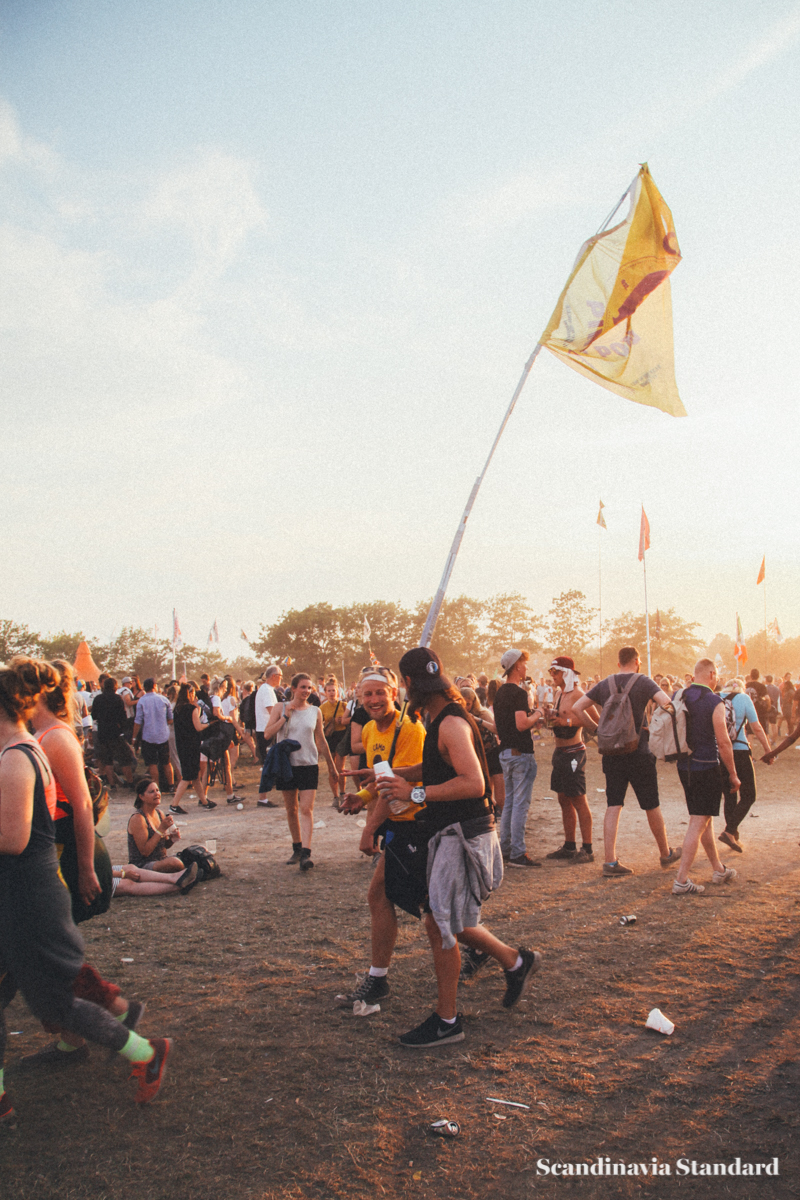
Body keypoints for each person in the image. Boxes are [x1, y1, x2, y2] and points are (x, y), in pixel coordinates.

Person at [0, 657, 170, 1121]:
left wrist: (86, 871)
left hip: (33, 893)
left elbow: (16, 837)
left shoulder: (22, 753)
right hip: (23, 893)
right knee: (37, 987)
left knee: (54, 995)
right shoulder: (20, 748)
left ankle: (140, 1048)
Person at [374, 647, 541, 1048]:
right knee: (448, 920)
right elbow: (437, 766)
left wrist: (413, 793)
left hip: (463, 833)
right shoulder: (443, 716)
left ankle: (447, 1021)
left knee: (441, 925)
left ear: (410, 684)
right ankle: (516, 961)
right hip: (453, 831)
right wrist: (389, 775)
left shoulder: (449, 723)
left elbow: (473, 783)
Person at [338, 667, 426, 1004]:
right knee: (426, 902)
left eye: (380, 692)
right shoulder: (373, 729)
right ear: (359, 698)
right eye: (367, 694)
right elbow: (382, 776)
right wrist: (360, 798)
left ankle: (378, 981)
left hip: (418, 823)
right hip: (399, 823)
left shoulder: (411, 730)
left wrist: (370, 828)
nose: (374, 700)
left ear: (394, 692)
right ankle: (490, 951)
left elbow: (396, 787)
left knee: (381, 895)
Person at [572, 646, 681, 878]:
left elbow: (577, 707)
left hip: (612, 753)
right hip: (640, 751)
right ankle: (665, 853)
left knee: (614, 804)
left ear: (619, 661)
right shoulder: (643, 681)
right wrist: (655, 727)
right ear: (637, 660)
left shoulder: (605, 684)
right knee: (651, 804)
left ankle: (610, 862)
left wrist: (597, 729)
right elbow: (667, 704)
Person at [672, 660, 740, 895]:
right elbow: (723, 741)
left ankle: (718, 868)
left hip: (684, 765)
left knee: (704, 818)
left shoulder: (680, 695)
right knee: (699, 820)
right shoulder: (714, 701)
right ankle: (681, 880)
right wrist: (733, 773)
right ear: (712, 674)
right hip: (707, 765)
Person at [262, 673, 339, 870]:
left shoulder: (315, 711)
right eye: (303, 687)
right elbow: (268, 733)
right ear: (293, 688)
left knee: (306, 809)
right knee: (291, 809)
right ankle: (296, 847)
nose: (306, 691)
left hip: (309, 764)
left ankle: (306, 852)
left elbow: (321, 740)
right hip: (287, 765)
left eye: (309, 688)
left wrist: (332, 767)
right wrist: (285, 716)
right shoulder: (281, 707)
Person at [544, 657, 598, 865]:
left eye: (556, 673)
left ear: (565, 673)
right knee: (563, 798)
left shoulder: (579, 695)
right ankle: (569, 845)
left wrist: (567, 720)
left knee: (578, 799)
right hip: (560, 751)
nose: (553, 677)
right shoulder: (559, 694)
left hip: (574, 751)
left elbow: (595, 724)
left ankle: (588, 848)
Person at [492, 649, 544, 868]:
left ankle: (505, 849)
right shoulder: (518, 693)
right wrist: (538, 714)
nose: (526, 667)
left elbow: (500, 726)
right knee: (520, 805)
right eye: (524, 663)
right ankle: (518, 853)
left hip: (505, 753)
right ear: (517, 666)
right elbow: (522, 724)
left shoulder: (500, 693)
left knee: (511, 804)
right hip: (520, 753)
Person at [717, 678, 771, 852]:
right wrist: (768, 750)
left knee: (730, 794)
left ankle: (733, 835)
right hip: (740, 751)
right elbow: (757, 728)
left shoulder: (716, 698)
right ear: (742, 688)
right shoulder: (744, 698)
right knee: (749, 795)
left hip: (721, 752)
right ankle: (730, 831)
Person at [126, 779, 185, 873]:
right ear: (141, 796)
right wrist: (161, 829)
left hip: (161, 859)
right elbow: (145, 852)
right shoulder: (138, 818)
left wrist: (173, 838)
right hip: (143, 865)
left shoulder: (159, 813)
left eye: (157, 790)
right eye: (151, 792)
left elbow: (163, 846)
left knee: (191, 854)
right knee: (174, 863)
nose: (156, 794)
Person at [170, 683, 212, 810]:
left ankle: (204, 801)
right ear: (190, 694)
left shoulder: (177, 709)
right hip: (191, 744)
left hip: (181, 744)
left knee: (194, 776)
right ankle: (174, 805)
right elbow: (198, 727)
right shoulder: (192, 709)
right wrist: (209, 724)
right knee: (188, 776)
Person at [91, 676, 135, 790]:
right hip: (115, 732)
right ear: (115, 687)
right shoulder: (117, 698)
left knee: (107, 760)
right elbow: (122, 716)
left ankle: (112, 785)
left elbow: (94, 715)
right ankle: (130, 782)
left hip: (102, 732)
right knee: (124, 759)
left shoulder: (98, 699)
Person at [132, 679, 174, 791]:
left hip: (148, 735)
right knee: (166, 763)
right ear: (154, 686)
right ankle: (171, 786)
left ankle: (157, 787)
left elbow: (138, 721)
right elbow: (170, 718)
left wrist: (134, 736)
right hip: (163, 735)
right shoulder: (164, 699)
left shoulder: (141, 701)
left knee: (152, 763)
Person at [320, 677, 349, 806]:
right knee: (331, 768)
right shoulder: (322, 708)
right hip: (330, 737)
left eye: (334, 690)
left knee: (340, 768)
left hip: (341, 736)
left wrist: (342, 720)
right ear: (325, 692)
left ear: (338, 691)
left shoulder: (344, 705)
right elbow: (319, 724)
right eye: (329, 690)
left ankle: (343, 793)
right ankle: (335, 796)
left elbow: (350, 720)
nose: (332, 693)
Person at [256, 666, 283, 804]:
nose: (281, 678)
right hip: (266, 730)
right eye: (280, 675)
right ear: (274, 676)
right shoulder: (266, 690)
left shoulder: (267, 689)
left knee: (270, 764)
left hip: (266, 729)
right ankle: (263, 798)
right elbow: (272, 710)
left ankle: (264, 796)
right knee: (267, 765)